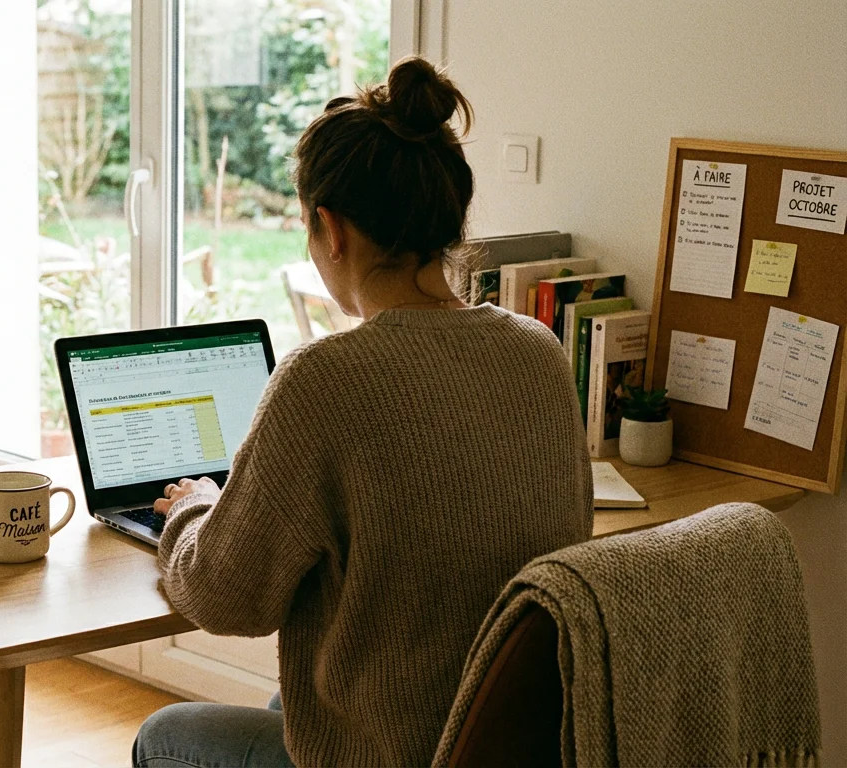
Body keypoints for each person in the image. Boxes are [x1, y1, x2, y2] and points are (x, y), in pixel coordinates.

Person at [131, 57, 593, 768]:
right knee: (292, 698)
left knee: (163, 736)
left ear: (330, 228)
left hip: (396, 752)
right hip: (514, 738)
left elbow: (227, 599)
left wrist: (193, 510)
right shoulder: (539, 352)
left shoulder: (325, 380)